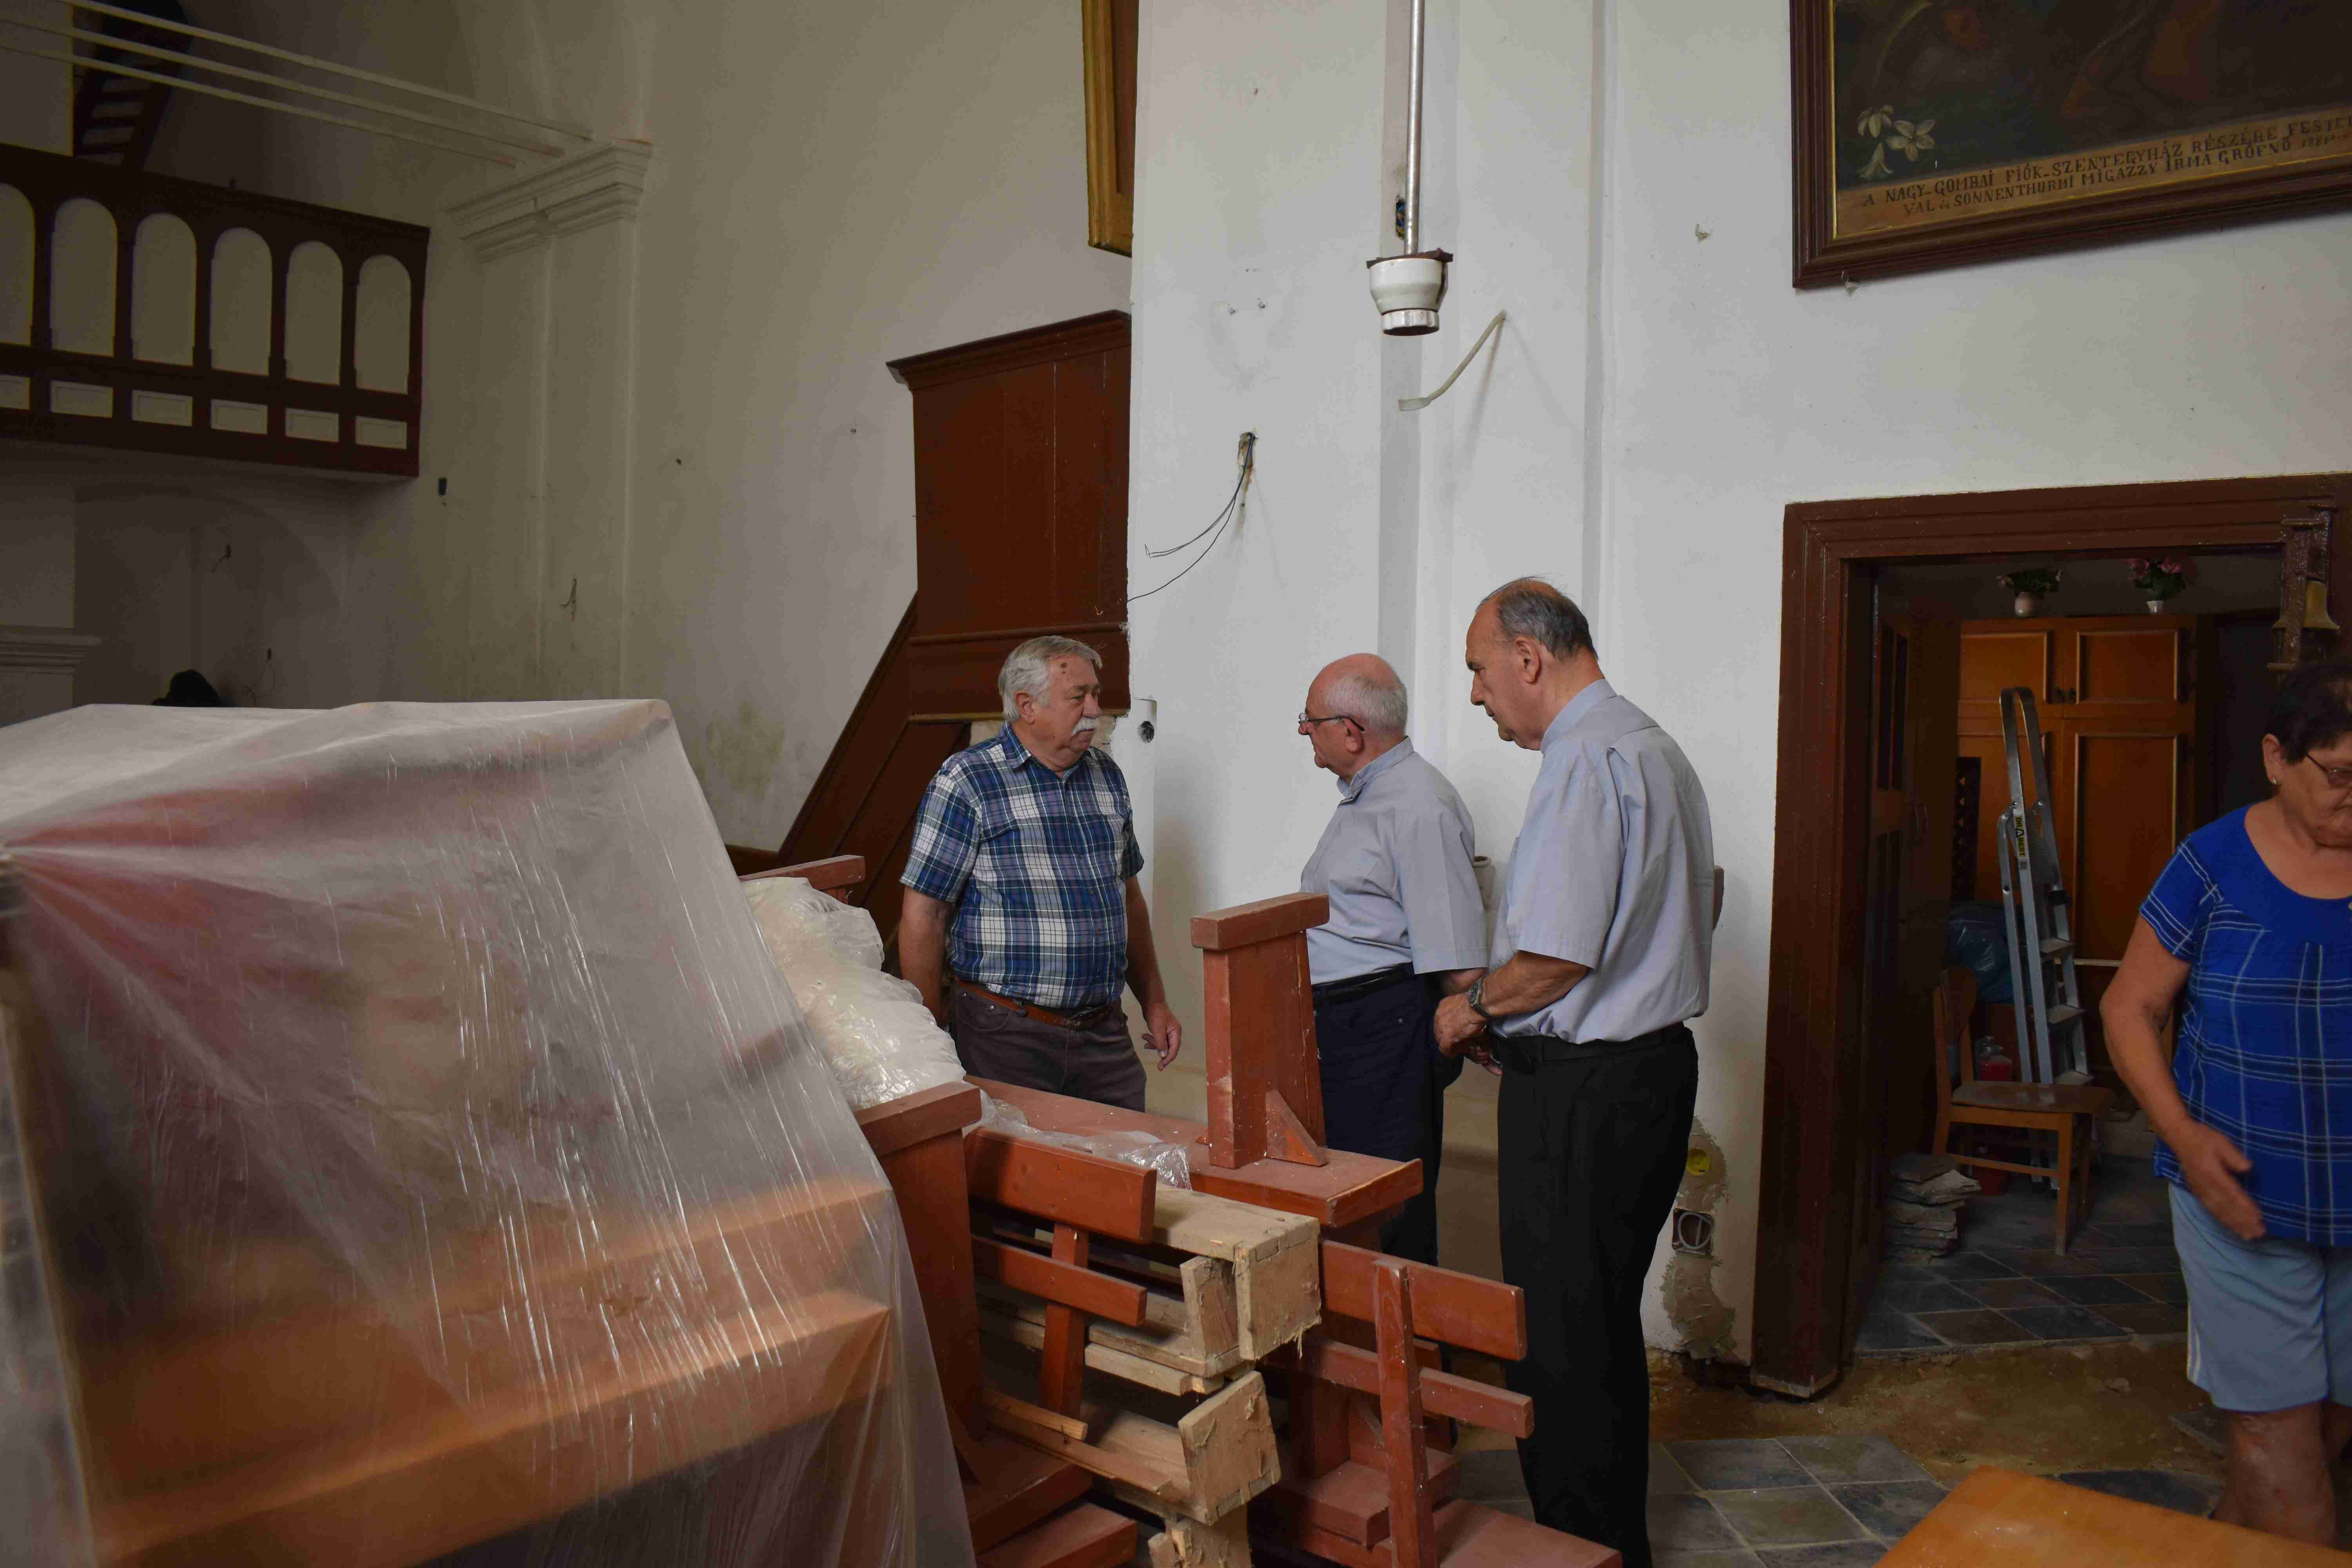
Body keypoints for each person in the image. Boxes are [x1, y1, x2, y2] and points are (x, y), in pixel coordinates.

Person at [1432, 578, 1714, 1568]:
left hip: (1587, 1089)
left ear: (1529, 657)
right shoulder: (1650, 744)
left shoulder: (1584, 757)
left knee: (1560, 1338)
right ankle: (1609, 1543)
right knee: (1596, 1324)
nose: (1476, 692)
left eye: (1479, 669)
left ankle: (1579, 1549)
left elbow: (1557, 956)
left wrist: (1472, 1005)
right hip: (1649, 1072)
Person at [2103, 653, 2352, 1546]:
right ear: (2277, 757)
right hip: (2240, 1198)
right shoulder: (2211, 864)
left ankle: (2217, 1545)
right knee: (2278, 1439)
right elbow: (2130, 1007)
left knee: (2324, 1430)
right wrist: (2180, 1134)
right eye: (2340, 775)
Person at [899, 635, 1181, 1109]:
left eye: (1096, 694)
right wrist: (929, 1033)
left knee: (1130, 1152)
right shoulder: (967, 781)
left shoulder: (1107, 775)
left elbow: (1128, 897)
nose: (1095, 709)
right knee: (1018, 1159)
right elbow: (924, 915)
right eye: (1078, 696)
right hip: (1005, 1035)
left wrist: (1154, 1001)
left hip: (1103, 1033)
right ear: (1027, 706)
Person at [1296, 653, 1486, 1264]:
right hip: (1347, 1029)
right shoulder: (1370, 795)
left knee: (1387, 1212)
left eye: (1310, 721)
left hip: (1386, 1031)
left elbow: (1459, 960)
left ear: (1352, 732)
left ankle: (1399, 1325)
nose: (1304, 731)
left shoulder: (1417, 804)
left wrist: (1469, 1034)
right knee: (1349, 1205)